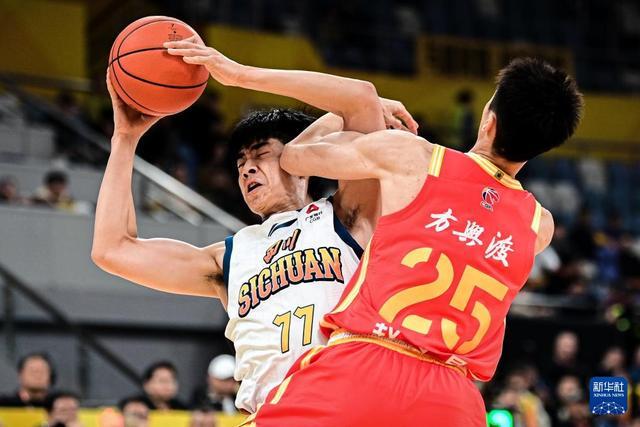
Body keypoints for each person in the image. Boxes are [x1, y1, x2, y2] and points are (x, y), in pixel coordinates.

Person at [244, 57, 583, 426]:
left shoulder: (415, 158)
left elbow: (294, 158)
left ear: (489, 120)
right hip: (454, 399)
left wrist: (344, 114)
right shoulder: (539, 226)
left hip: (367, 365)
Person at [92, 36, 416, 414]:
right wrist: (124, 139)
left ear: (301, 161)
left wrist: (239, 75)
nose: (247, 168)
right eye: (241, 162)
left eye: (261, 155)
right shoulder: (230, 257)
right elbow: (111, 249)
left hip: (346, 409)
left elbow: (360, 98)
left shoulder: (346, 215)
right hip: (268, 415)